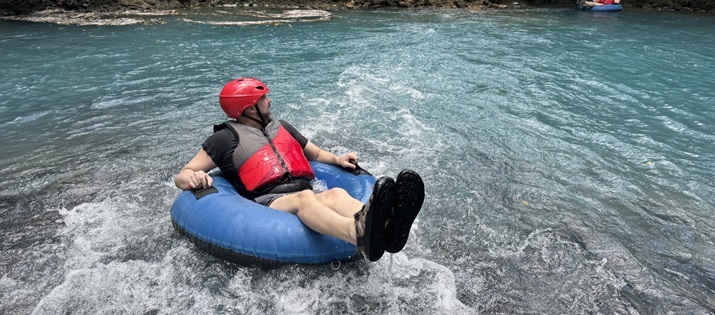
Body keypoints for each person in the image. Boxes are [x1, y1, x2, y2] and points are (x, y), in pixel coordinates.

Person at [174, 77, 425, 262]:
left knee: (336, 194)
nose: (269, 100)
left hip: (303, 189)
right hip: (267, 200)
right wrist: (193, 177)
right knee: (305, 198)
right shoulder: (224, 139)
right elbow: (183, 174)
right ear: (250, 108)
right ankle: (358, 234)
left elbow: (314, 153)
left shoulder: (280, 126)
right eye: (263, 99)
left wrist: (338, 159)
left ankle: (387, 227)